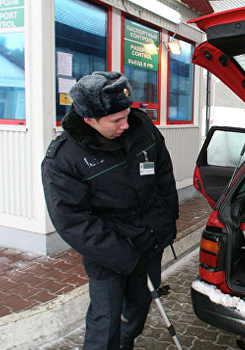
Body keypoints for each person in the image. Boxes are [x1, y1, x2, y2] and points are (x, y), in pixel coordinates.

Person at [41, 71, 179, 349]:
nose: (126, 124)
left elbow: (164, 176)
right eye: (116, 120)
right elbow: (73, 221)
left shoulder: (142, 129)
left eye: (127, 114)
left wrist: (165, 222)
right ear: (89, 120)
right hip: (109, 252)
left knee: (138, 312)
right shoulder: (64, 158)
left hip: (150, 240)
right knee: (106, 324)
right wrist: (124, 255)